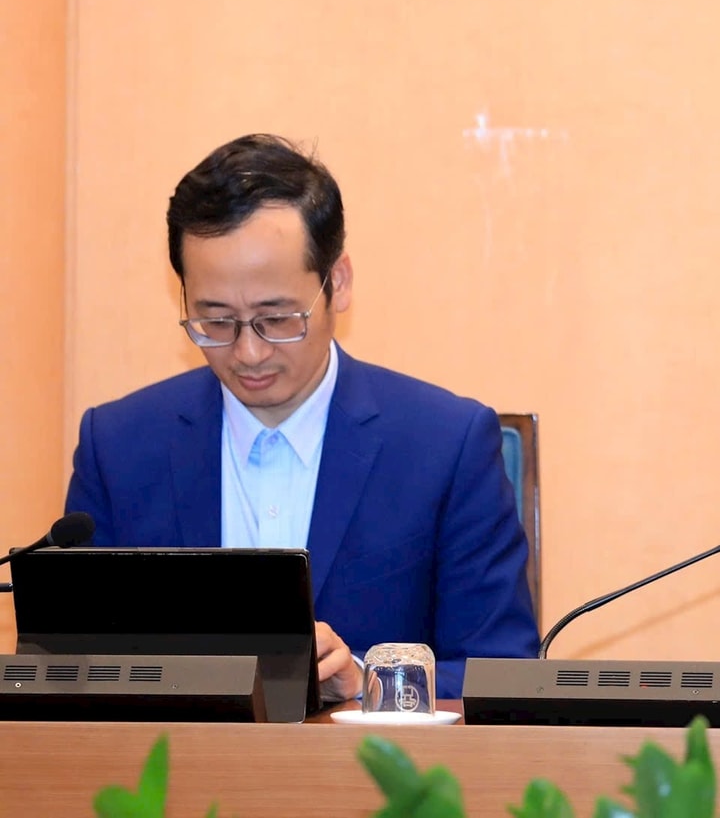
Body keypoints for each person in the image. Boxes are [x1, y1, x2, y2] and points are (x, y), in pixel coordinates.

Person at [66, 135, 539, 700]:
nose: (248, 353)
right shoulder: (118, 447)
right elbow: (71, 666)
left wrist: (371, 682)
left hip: (372, 759)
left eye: (277, 318)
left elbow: (501, 673)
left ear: (337, 283)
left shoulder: (445, 445)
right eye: (215, 321)